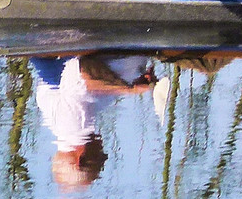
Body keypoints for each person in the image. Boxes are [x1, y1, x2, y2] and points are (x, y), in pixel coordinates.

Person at [33, 53, 159, 188]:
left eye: (99, 159)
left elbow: (82, 71)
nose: (103, 154)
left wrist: (129, 89)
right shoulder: (63, 124)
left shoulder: (75, 127)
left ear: (79, 159)